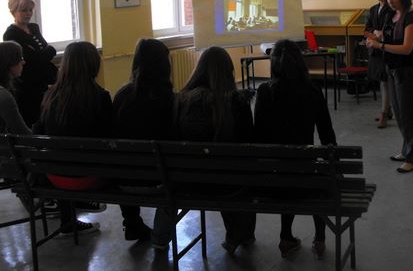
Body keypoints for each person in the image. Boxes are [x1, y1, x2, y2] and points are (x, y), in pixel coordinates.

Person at [152, 46, 255, 253]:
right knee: (237, 174)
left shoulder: (180, 101)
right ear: (228, 72)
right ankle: (240, 235)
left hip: (186, 183)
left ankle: (160, 237)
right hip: (228, 185)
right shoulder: (237, 103)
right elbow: (250, 147)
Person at [253, 39, 337, 258]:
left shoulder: (265, 91)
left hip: (273, 180)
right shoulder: (313, 90)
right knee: (315, 173)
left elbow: (259, 137)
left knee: (286, 169)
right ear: (301, 63)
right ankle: (320, 239)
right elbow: (327, 136)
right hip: (306, 174)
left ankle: (286, 237)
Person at [37, 41, 113, 236]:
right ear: (93, 65)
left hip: (54, 176)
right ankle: (132, 222)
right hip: (87, 178)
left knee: (63, 155)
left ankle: (67, 221)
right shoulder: (100, 97)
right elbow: (109, 138)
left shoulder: (50, 97)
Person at [112, 38, 174, 242]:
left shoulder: (122, 96)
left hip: (122, 181)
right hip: (160, 180)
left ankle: (132, 222)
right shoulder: (169, 99)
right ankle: (161, 235)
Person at [366, 0, 413, 173]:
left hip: (407, 70)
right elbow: (388, 37)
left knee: (408, 114)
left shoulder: (412, 17)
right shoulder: (392, 16)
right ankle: (406, 150)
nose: (389, 0)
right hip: (392, 68)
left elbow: (406, 48)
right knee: (398, 112)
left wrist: (380, 45)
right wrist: (376, 39)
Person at [3, 0, 57, 127]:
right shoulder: (11, 34)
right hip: (27, 85)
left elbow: (44, 52)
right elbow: (31, 60)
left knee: (46, 118)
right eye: (23, 10)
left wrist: (44, 53)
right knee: (32, 119)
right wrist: (46, 52)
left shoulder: (33, 27)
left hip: (44, 81)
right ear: (13, 12)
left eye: (30, 10)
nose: (28, 13)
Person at [364, 0, 394, 128]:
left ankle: (384, 114)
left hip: (386, 48)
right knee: (382, 81)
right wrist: (372, 35)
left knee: (385, 81)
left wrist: (382, 34)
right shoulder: (373, 9)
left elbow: (392, 29)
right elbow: (367, 28)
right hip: (374, 48)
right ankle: (388, 109)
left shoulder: (391, 10)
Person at [0, 41, 31, 135]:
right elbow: (23, 134)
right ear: (9, 62)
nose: (23, 62)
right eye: (20, 58)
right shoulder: (4, 96)